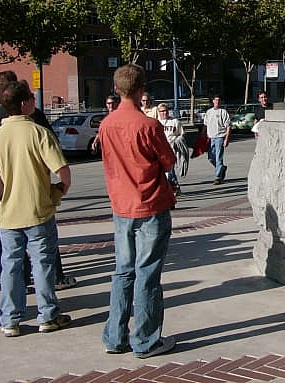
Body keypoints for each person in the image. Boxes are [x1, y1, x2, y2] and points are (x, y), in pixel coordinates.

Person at [0, 80, 72, 337]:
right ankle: (48, 315)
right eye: (31, 97)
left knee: (10, 265)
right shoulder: (38, 133)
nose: (34, 100)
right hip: (38, 209)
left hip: (8, 213)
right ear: (24, 103)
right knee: (41, 264)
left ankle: (10, 319)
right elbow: (62, 171)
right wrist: (59, 191)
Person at [98, 63, 177, 357]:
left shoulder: (106, 125)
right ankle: (145, 339)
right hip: (150, 205)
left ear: (117, 91)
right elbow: (168, 161)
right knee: (147, 274)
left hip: (121, 205)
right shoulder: (149, 126)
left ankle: (115, 336)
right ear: (142, 90)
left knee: (122, 271)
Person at [204, 95, 230, 185]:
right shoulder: (209, 112)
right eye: (215, 100)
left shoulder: (223, 112)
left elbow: (228, 126)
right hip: (210, 138)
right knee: (211, 158)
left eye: (219, 100)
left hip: (220, 137)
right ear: (213, 101)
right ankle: (221, 168)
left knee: (219, 158)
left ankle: (218, 177)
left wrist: (226, 139)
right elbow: (205, 125)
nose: (217, 102)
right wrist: (202, 136)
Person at [156, 103, 184, 190]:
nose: (165, 113)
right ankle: (174, 186)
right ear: (158, 112)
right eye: (162, 111)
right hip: (160, 150)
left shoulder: (175, 121)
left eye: (166, 111)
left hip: (172, 148)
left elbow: (182, 134)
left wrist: (178, 140)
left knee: (169, 168)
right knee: (165, 170)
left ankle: (173, 186)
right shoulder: (156, 123)